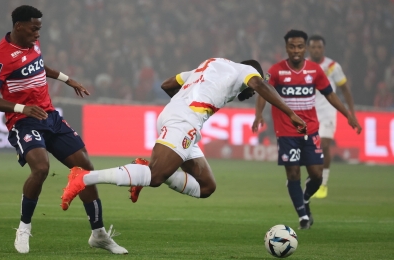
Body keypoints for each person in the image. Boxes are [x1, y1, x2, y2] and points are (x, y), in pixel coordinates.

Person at [60, 57, 308, 214]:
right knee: (156, 177)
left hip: (178, 116)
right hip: (184, 120)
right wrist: (290, 114)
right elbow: (260, 86)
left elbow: (168, 84)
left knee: (207, 186)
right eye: (255, 81)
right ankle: (84, 177)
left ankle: (142, 170)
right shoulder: (245, 71)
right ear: (252, 73)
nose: (253, 91)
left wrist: (182, 106)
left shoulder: (211, 65)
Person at [0, 5, 127, 255]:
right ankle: (24, 228)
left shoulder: (31, 45)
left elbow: (39, 65)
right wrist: (22, 108)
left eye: (39, 28)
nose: (38, 34)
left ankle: (99, 234)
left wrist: (65, 78)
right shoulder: (0, 58)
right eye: (34, 28)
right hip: (24, 121)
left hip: (50, 117)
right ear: (19, 26)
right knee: (41, 168)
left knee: (85, 169)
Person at [251, 30, 362, 230]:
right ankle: (303, 216)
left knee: (317, 175)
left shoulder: (315, 71)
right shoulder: (276, 71)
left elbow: (330, 95)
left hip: (310, 130)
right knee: (293, 173)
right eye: (292, 46)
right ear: (286, 48)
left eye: (300, 46)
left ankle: (305, 198)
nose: (296, 50)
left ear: (305, 48)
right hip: (286, 131)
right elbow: (263, 91)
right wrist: (258, 113)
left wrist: (348, 115)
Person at [307, 35, 358, 199]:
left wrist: (351, 113)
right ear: (309, 48)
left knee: (324, 144)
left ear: (323, 49)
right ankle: (314, 177)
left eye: (319, 47)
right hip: (308, 112)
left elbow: (345, 90)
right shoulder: (302, 65)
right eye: (313, 47)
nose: (316, 50)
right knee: (310, 148)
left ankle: (323, 183)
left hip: (328, 111)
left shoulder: (332, 66)